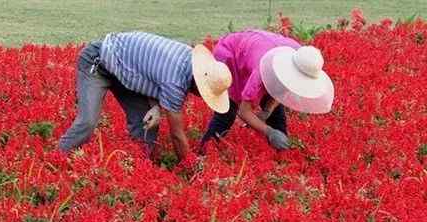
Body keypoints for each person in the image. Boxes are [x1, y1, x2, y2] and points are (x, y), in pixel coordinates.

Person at [58, 31, 232, 161]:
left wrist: (157, 108)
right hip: (98, 61)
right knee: (87, 123)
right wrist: (190, 166)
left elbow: (153, 73)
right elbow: (177, 135)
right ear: (198, 80)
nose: (198, 96)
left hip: (125, 72)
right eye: (202, 92)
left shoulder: (189, 60)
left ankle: (138, 164)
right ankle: (55, 158)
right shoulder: (176, 81)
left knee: (146, 125)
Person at [198, 30, 334, 152]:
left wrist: (267, 111)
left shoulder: (304, 59)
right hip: (230, 54)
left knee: (276, 114)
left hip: (257, 49)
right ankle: (204, 152)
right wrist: (269, 132)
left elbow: (281, 91)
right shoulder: (260, 73)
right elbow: (244, 112)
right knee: (227, 112)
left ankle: (281, 155)